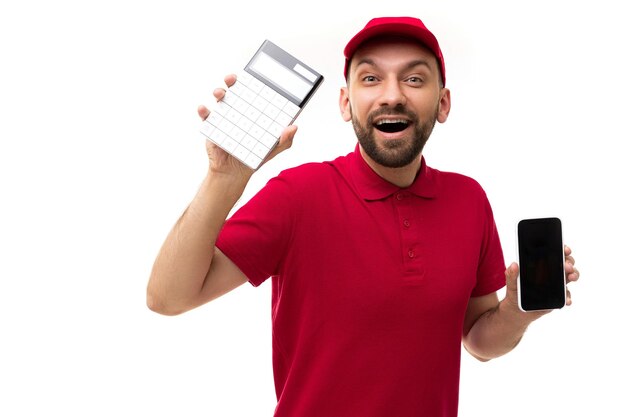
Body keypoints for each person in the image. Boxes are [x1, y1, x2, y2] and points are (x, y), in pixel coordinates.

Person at [147, 16, 580, 417]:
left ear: (443, 104)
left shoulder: (469, 199)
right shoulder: (297, 195)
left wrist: (519, 312)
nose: (392, 95)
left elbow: (479, 341)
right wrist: (223, 179)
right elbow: (168, 297)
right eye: (371, 78)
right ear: (345, 103)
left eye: (414, 78)